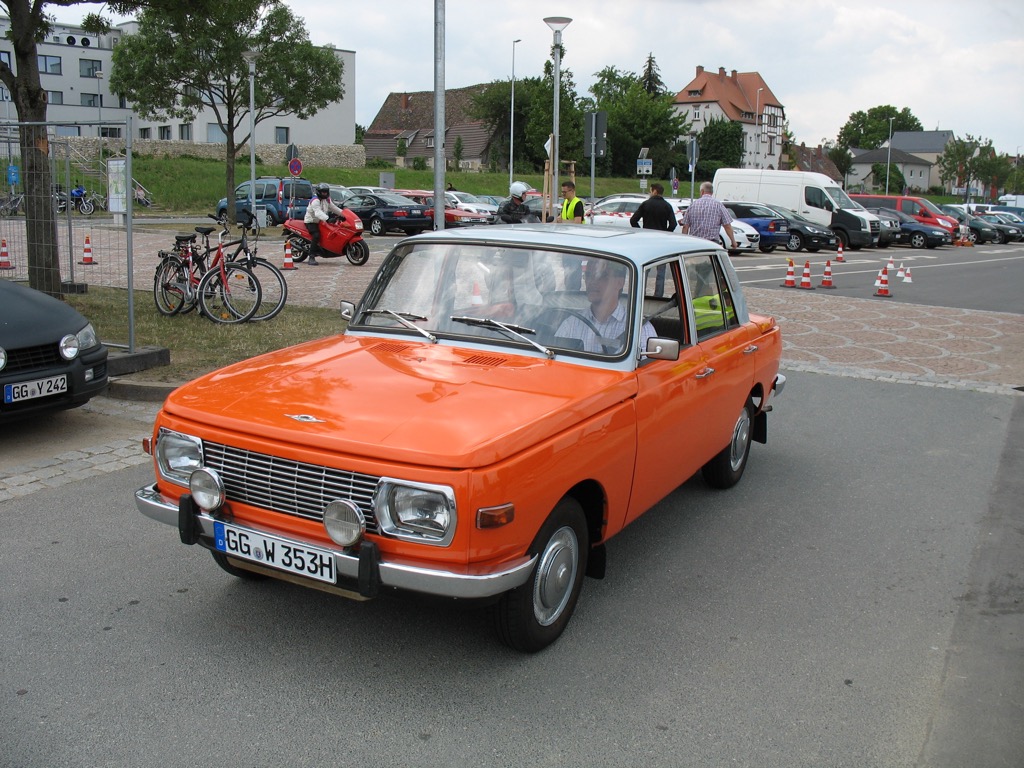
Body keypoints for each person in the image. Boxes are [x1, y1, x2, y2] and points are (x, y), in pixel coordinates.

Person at [556, 258, 655, 355]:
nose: (591, 282)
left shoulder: (640, 329)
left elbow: (648, 369)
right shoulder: (571, 324)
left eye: (602, 276)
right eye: (588, 275)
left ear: (620, 282)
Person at [681, 181, 738, 250]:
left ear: (702, 191)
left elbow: (685, 227)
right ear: (712, 192)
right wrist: (733, 241)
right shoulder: (719, 205)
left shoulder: (693, 205)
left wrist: (684, 243)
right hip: (712, 243)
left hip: (695, 243)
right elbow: (727, 226)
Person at [303, 182, 344, 265]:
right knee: (316, 235)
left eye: (326, 192)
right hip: (311, 221)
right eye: (323, 192)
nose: (324, 193)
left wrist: (344, 214)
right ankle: (311, 256)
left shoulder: (327, 200)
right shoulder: (315, 201)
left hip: (321, 221)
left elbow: (334, 208)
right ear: (319, 192)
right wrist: (328, 219)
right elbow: (318, 213)